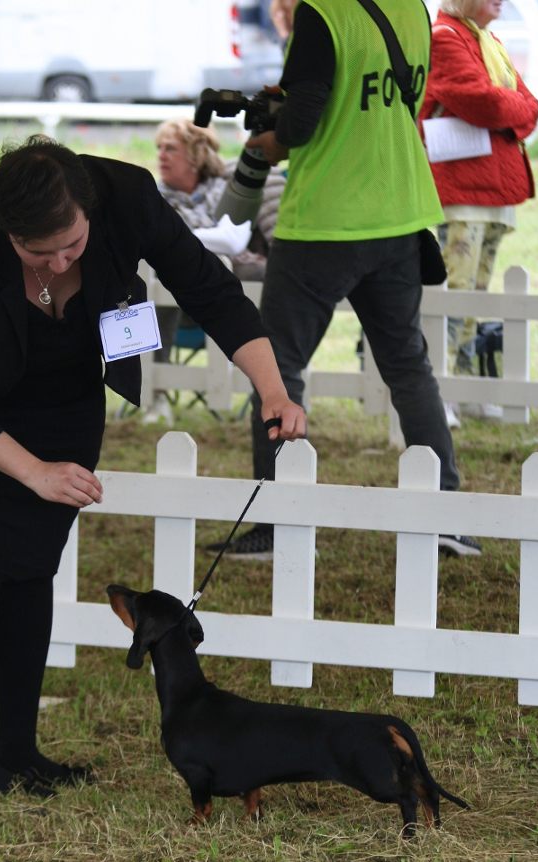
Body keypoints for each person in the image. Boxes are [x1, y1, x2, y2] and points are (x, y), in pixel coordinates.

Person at [0, 136, 306, 796]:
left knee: (33, 565)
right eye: (37, 253)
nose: (59, 260)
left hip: (63, 391)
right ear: (6, 229)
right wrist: (33, 471)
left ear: (90, 210)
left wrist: (272, 388)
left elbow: (208, 290)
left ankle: (18, 749)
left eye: (71, 246)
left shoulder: (129, 198)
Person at [210, 0, 481, 561]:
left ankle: (278, 525)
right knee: (408, 366)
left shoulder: (322, 11)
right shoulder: (413, 9)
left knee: (278, 367)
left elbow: (304, 126)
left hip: (326, 221)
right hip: (400, 212)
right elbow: (370, 99)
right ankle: (446, 516)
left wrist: (268, 140)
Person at [421, 0, 538, 427]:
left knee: (478, 293)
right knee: (455, 293)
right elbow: (484, 103)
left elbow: (530, 104)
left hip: (492, 189)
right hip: (463, 191)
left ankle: (467, 388)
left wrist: (510, 107)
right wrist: (512, 109)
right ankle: (442, 392)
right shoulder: (445, 39)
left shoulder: (489, 41)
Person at [143, 117, 282, 424]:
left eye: (171, 149)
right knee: (156, 289)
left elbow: (235, 240)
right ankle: (157, 396)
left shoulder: (229, 190)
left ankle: (267, 391)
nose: (161, 156)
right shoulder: (154, 198)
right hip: (181, 297)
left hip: (232, 293)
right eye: (159, 149)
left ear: (195, 155)